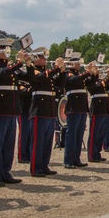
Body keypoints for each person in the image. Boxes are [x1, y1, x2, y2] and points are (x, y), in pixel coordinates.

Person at [16, 48, 64, 177]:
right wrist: (56, 69)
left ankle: (44, 165)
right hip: (39, 108)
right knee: (38, 141)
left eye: (44, 57)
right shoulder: (33, 70)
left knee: (47, 140)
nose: (45, 59)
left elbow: (60, 84)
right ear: (36, 59)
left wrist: (62, 71)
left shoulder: (48, 72)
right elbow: (38, 78)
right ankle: (35, 168)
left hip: (49, 108)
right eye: (42, 57)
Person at [0, 40, 26, 185]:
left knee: (8, 144)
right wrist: (18, 63)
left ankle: (5, 172)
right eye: (5, 49)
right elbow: (1, 73)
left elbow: (28, 77)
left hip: (12, 108)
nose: (8, 52)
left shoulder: (10, 67)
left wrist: (29, 65)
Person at [60, 54, 90, 167]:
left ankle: (76, 158)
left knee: (79, 134)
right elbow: (74, 80)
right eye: (77, 62)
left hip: (81, 107)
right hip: (73, 107)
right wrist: (87, 73)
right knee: (71, 134)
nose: (79, 64)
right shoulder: (68, 73)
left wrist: (94, 74)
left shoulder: (80, 75)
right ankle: (68, 160)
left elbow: (89, 83)